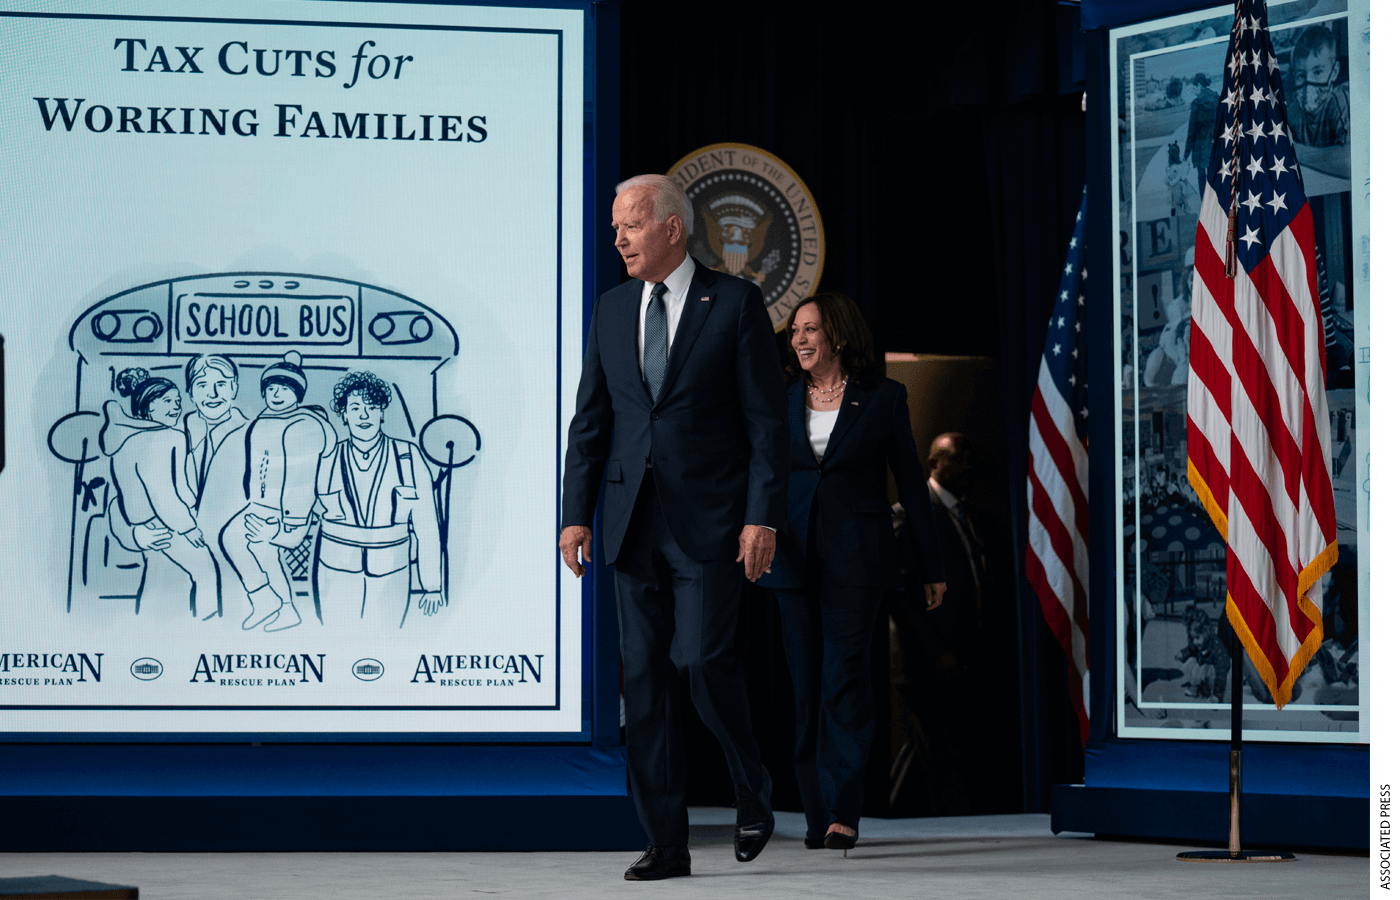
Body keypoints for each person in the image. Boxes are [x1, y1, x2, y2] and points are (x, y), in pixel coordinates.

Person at [559, 174, 788, 881]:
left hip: (713, 523)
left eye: (630, 225)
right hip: (630, 524)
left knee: (699, 662)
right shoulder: (611, 307)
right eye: (615, 227)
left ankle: (752, 783)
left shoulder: (737, 303)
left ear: (670, 229)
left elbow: (765, 424)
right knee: (646, 686)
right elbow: (592, 423)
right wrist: (574, 515)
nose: (619, 238)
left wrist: (762, 516)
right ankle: (667, 843)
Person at [759, 293, 946, 851]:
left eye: (811, 329)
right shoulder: (780, 398)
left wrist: (931, 564)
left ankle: (844, 810)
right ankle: (816, 816)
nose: (800, 339)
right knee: (805, 688)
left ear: (837, 336)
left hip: (858, 562)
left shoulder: (884, 398)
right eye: (795, 331)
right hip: (792, 560)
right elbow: (762, 474)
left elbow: (912, 483)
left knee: (844, 680)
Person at [315, 371, 444, 626]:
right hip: (335, 570)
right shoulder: (326, 458)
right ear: (344, 415)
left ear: (382, 413)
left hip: (391, 572)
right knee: (334, 639)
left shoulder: (408, 457)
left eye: (372, 408)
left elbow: (427, 525)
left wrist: (431, 585)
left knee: (388, 640)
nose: (364, 415)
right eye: (355, 408)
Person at [219, 351, 336, 632]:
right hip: (259, 504)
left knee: (267, 554)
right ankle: (265, 601)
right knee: (234, 540)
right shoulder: (265, 419)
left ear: (297, 393)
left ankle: (285, 608)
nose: (276, 394)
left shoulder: (304, 425)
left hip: (285, 511)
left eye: (284, 388)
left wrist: (290, 525)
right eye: (271, 388)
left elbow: (302, 478)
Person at [100, 367, 220, 618]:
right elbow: (163, 492)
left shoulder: (126, 442)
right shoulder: (168, 436)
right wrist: (188, 526)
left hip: (147, 527)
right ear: (147, 405)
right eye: (166, 401)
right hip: (169, 525)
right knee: (206, 574)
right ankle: (210, 631)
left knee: (155, 579)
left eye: (177, 401)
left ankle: (144, 628)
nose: (175, 407)